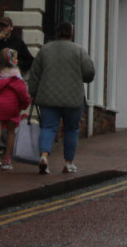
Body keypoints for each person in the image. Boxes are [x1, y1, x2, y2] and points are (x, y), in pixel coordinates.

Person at [28, 21, 94, 174]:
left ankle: (44, 156)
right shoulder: (79, 50)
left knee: (48, 127)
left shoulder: (45, 50)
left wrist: (33, 92)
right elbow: (89, 73)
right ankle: (68, 163)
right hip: (73, 98)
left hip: (47, 97)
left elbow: (35, 74)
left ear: (57, 33)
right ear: (71, 34)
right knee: (71, 130)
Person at [0, 48, 31, 170]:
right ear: (9, 60)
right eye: (15, 57)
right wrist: (25, 104)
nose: (17, 59)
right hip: (12, 106)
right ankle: (7, 160)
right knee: (10, 132)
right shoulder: (15, 75)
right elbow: (22, 92)